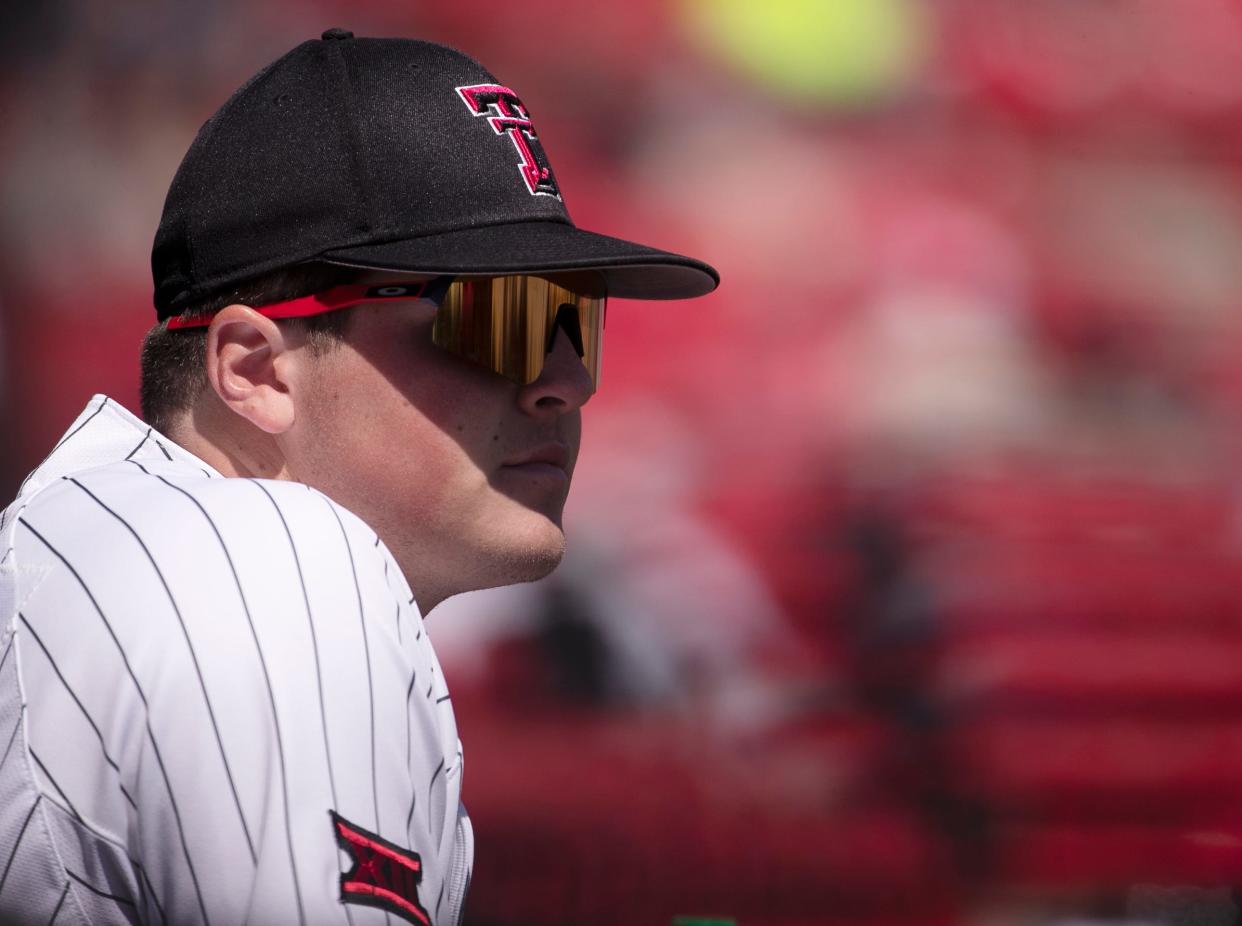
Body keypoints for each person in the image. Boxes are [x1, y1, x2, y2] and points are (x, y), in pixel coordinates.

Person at [0, 30, 717, 926]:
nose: (564, 382)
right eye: (500, 318)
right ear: (257, 370)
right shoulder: (271, 560)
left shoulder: (109, 550)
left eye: (574, 320)